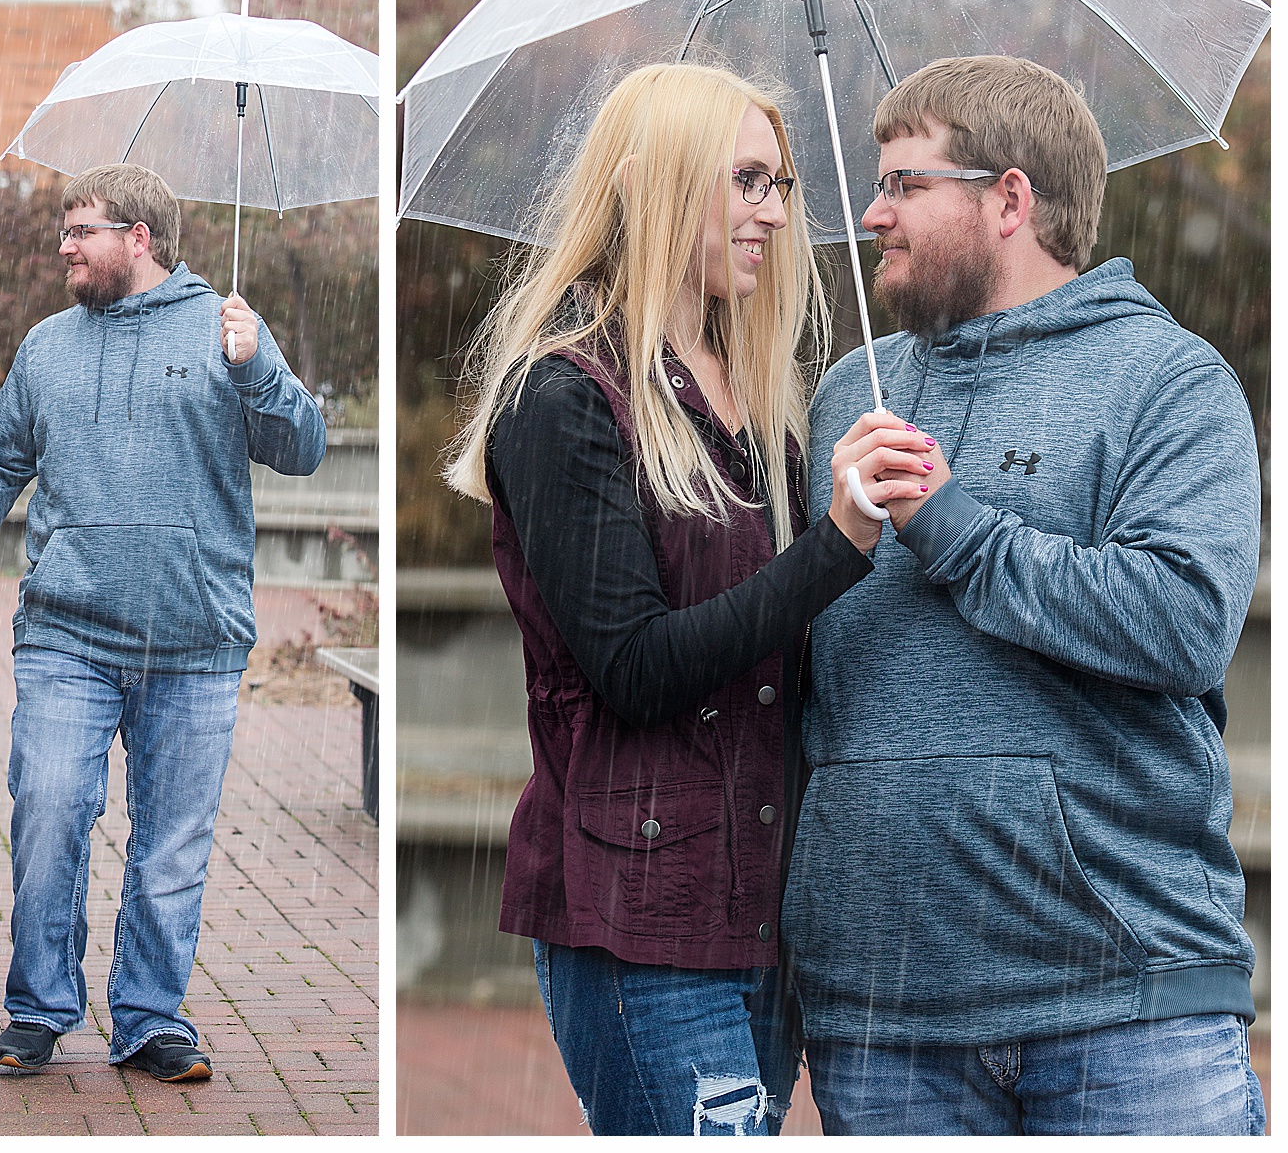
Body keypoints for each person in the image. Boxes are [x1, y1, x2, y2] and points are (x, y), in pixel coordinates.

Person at [443, 62, 934, 1135]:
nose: (773, 210)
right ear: (656, 182)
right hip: (640, 912)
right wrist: (837, 543)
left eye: (782, 183)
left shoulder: (764, 401)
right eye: (747, 179)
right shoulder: (564, 396)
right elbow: (636, 666)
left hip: (766, 909)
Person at [791, 55, 1264, 1136]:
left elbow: (1185, 621)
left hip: (1124, 1000)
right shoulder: (844, 397)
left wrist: (952, 527)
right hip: (883, 1010)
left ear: (1009, 198)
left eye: (906, 184)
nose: (871, 212)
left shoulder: (1170, 383)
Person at [0, 162, 325, 1081]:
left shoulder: (228, 330)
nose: (65, 247)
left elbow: (304, 447)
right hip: (68, 632)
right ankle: (40, 1006)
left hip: (197, 638)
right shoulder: (48, 346)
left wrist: (258, 370)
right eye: (64, 230)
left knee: (171, 845)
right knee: (49, 812)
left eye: (80, 230)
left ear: (139, 237)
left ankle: (148, 1018)